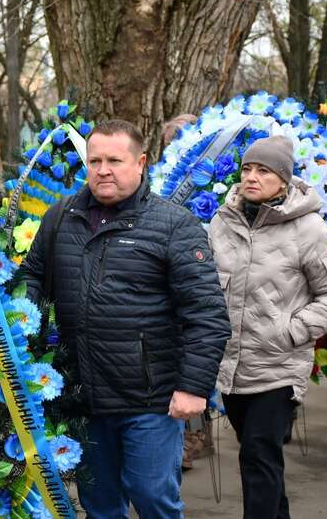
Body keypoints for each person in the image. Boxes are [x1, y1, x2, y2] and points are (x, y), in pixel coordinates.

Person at [20, 119, 231, 518]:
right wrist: (23, 318)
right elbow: (34, 273)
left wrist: (193, 388)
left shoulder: (173, 225)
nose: (103, 169)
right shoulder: (61, 217)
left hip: (148, 400)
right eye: (95, 160)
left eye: (114, 160)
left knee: (152, 497)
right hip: (82, 396)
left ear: (140, 163)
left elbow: (207, 314)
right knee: (100, 505)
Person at [209, 135, 327, 518]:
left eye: (263, 170)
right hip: (232, 365)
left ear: (284, 180)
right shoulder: (222, 222)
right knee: (260, 458)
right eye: (247, 168)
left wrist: (290, 332)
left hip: (279, 367)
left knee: (258, 454)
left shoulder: (309, 229)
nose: (251, 177)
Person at [162, 112, 214, 471]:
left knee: (196, 368)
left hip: (202, 279)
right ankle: (181, 442)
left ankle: (193, 441)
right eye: (170, 140)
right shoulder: (163, 179)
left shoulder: (214, 175)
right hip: (168, 288)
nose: (174, 144)